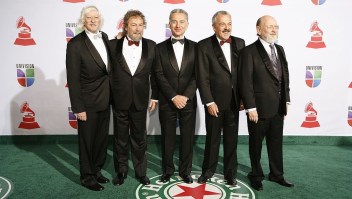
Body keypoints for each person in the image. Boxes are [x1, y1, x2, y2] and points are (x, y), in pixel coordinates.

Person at [238, 15, 294, 191]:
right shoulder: (249, 51)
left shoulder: (280, 49)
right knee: (256, 144)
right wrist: (250, 107)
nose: (274, 29)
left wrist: (286, 99)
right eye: (269, 26)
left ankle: (277, 174)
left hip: (278, 107)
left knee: (276, 143)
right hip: (258, 108)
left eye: (276, 26)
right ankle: (256, 175)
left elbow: (284, 76)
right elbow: (244, 81)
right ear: (258, 29)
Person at [196, 11, 245, 186]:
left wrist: (243, 98)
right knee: (212, 139)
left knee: (232, 140)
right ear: (214, 26)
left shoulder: (240, 43)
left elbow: (243, 75)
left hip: (234, 101)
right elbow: (202, 77)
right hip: (214, 102)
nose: (227, 27)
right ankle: (208, 171)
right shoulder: (203, 46)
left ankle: (230, 174)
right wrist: (209, 101)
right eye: (222, 24)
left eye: (229, 23)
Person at [66, 5, 111, 191]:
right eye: (89, 18)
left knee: (101, 140)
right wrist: (78, 107)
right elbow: (73, 79)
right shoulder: (75, 44)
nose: (93, 20)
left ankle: (97, 170)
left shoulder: (105, 37)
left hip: (106, 99)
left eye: (96, 17)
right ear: (83, 21)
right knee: (87, 142)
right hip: (87, 103)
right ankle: (87, 177)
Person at [110, 9, 157, 186]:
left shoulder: (152, 46)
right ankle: (121, 171)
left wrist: (156, 97)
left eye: (140, 25)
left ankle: (141, 172)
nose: (137, 29)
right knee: (120, 139)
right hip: (119, 99)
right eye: (133, 25)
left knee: (140, 139)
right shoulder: (112, 45)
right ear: (125, 26)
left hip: (140, 99)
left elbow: (156, 74)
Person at [153, 9, 197, 184]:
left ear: (187, 24)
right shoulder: (158, 48)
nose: (178, 25)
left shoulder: (196, 47)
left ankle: (185, 171)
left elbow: (197, 75)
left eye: (181, 21)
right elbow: (158, 74)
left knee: (187, 138)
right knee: (167, 138)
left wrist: (185, 96)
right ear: (169, 24)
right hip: (167, 100)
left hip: (188, 100)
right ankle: (167, 171)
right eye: (174, 21)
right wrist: (173, 96)